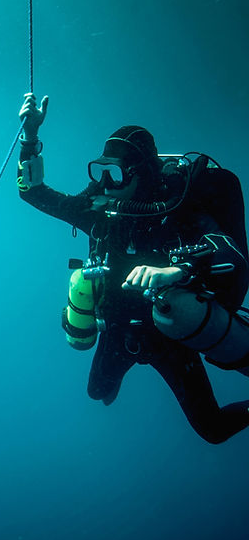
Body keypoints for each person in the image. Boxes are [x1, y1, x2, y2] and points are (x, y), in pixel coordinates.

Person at [17, 92, 249, 444]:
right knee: (98, 393)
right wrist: (30, 137)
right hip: (117, 331)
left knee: (212, 429)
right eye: (101, 171)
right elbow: (32, 192)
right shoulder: (97, 210)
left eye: (116, 174)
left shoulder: (176, 208)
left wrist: (179, 271)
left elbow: (227, 249)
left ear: (141, 173)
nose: (107, 183)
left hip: (169, 336)